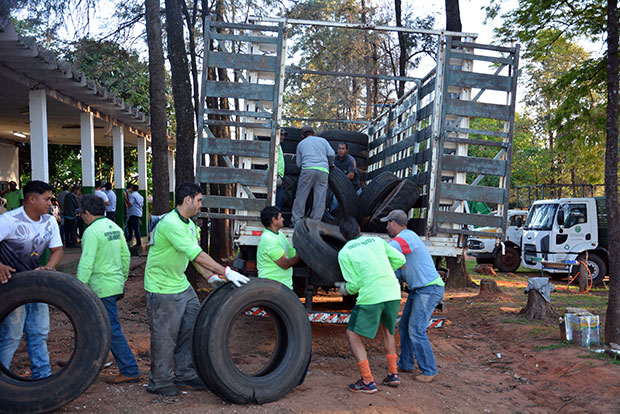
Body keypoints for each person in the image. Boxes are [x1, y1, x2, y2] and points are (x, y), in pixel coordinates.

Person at [144, 182, 249, 396]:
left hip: (181, 285)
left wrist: (212, 277)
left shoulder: (189, 225)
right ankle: (160, 382)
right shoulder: (171, 223)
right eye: (199, 200)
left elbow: (194, 257)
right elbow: (198, 255)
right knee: (165, 337)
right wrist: (226, 271)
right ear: (188, 199)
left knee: (191, 328)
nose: (201, 205)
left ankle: (184, 374)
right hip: (162, 288)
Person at [0, 180, 63, 379]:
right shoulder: (8, 220)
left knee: (39, 332)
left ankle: (42, 377)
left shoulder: (50, 221)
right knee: (11, 336)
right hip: (11, 286)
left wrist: (49, 266)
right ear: (32, 199)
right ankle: (4, 383)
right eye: (46, 199)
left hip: (37, 285)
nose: (50, 203)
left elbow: (57, 250)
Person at [336, 216, 405, 393]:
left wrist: (343, 289)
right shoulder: (377, 241)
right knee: (387, 330)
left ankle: (367, 380)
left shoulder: (344, 253)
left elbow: (354, 286)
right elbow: (400, 260)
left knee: (352, 334)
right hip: (392, 292)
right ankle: (393, 374)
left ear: (343, 235)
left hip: (372, 295)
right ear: (359, 229)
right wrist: (384, 268)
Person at [76, 195, 140, 384]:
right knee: (91, 326)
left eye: (81, 214)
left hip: (99, 287)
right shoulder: (115, 228)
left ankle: (129, 369)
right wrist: (122, 279)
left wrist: (77, 288)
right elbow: (126, 256)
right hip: (113, 284)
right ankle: (83, 362)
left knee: (110, 329)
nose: (81, 217)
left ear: (87, 213)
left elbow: (86, 262)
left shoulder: (92, 231)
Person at [380, 209, 445, 383]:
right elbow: (398, 272)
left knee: (416, 329)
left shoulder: (407, 237)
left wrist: (371, 246)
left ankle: (429, 370)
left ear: (395, 223)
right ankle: (407, 364)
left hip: (429, 290)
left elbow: (386, 250)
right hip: (419, 290)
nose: (386, 226)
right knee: (404, 327)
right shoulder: (404, 242)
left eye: (388, 223)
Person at [291, 126, 335, 227]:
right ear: (314, 133)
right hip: (323, 170)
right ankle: (316, 222)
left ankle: (296, 221)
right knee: (320, 197)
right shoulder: (323, 141)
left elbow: (299, 164)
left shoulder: (301, 144)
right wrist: (330, 164)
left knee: (301, 195)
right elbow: (332, 154)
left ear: (302, 136)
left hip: (308, 169)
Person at [257, 206, 300, 289]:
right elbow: (285, 264)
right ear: (274, 220)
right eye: (280, 217)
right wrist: (303, 254)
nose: (283, 219)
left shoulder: (280, 235)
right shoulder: (268, 239)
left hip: (281, 287)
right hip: (271, 288)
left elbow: (292, 253)